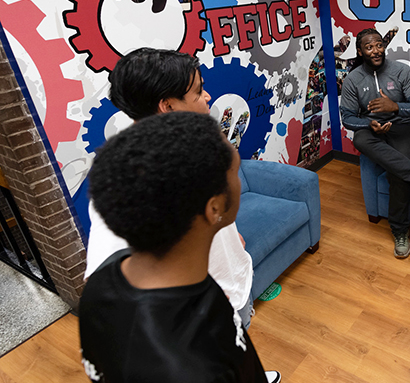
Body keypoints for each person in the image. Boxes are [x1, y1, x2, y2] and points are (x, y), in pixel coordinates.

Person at [80, 112, 275, 383]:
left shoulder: (103, 282)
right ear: (214, 207)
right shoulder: (191, 371)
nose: (239, 181)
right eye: (235, 172)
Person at [83, 49, 259, 337]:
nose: (207, 97)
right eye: (198, 91)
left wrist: (229, 238)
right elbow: (105, 285)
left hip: (236, 278)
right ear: (168, 106)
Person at [340, 28, 410, 259]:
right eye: (369, 47)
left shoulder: (402, 71)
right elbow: (347, 118)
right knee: (360, 138)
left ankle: (400, 232)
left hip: (402, 128)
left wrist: (395, 107)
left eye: (379, 45)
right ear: (360, 51)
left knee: (397, 172)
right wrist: (369, 123)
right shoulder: (353, 79)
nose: (375, 51)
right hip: (372, 130)